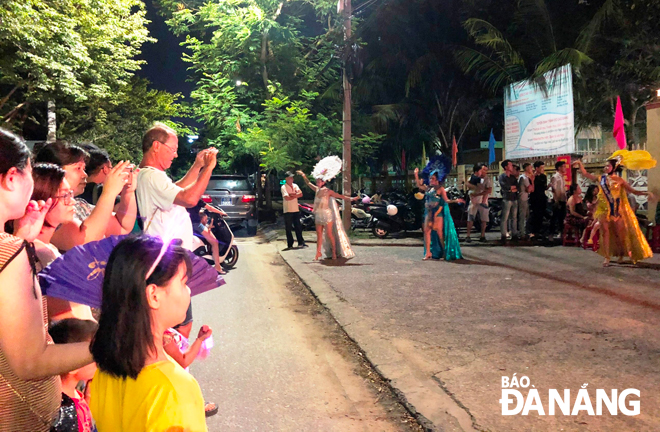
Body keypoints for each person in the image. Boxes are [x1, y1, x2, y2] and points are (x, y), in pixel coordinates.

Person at [0, 128, 93, 432]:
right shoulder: (11, 251)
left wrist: (23, 239)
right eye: (29, 172)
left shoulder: (14, 246)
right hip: (19, 415)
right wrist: (116, 344)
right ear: (12, 178)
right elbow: (30, 361)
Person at [89, 236, 207, 431]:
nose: (188, 291)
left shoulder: (105, 371)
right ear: (154, 295)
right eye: (183, 282)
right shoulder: (174, 389)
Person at [137, 123, 217, 339]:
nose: (175, 154)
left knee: (173, 323)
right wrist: (209, 168)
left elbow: (179, 189)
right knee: (179, 326)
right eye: (172, 149)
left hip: (163, 256)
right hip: (166, 258)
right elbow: (189, 198)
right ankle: (171, 366)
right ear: (156, 146)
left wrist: (198, 165)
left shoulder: (148, 175)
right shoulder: (152, 176)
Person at [34, 140, 137, 251]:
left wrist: (129, 191)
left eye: (84, 169)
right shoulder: (46, 211)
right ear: (55, 170)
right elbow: (86, 241)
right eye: (78, 168)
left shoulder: (80, 205)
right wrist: (109, 193)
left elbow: (122, 226)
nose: (85, 175)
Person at [30, 163, 95, 321]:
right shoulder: (39, 254)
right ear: (43, 199)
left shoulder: (48, 248)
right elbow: (65, 322)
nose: (72, 202)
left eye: (71, 195)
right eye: (65, 196)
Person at [574, 152, 655, 266]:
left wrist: (646, 193)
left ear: (614, 167)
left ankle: (622, 254)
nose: (606, 168)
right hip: (603, 211)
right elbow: (586, 174)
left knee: (619, 234)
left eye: (608, 166)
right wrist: (579, 164)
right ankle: (607, 256)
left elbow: (633, 191)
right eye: (605, 166)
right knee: (605, 233)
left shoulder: (619, 180)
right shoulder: (601, 178)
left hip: (616, 211)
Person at [49, 318, 99, 432]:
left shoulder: (76, 394)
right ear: (73, 365)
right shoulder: (60, 408)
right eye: (94, 356)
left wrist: (87, 399)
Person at [297, 171, 359, 261]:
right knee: (319, 235)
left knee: (330, 234)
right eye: (317, 181)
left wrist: (352, 198)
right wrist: (303, 175)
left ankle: (334, 252)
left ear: (323, 182)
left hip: (327, 214)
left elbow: (341, 196)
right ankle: (318, 253)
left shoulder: (328, 191)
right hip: (318, 214)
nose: (317, 183)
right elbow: (308, 183)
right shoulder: (317, 190)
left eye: (319, 181)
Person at [414, 167, 464, 261]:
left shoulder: (441, 189)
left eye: (433, 178)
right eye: (430, 178)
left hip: (437, 213)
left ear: (437, 179)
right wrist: (416, 175)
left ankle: (445, 252)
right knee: (427, 232)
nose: (431, 180)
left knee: (439, 233)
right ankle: (428, 252)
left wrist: (456, 200)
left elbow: (446, 200)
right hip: (428, 212)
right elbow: (419, 186)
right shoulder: (428, 188)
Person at [188, 199, 228, 274]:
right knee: (214, 242)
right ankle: (217, 267)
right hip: (196, 225)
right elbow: (210, 208)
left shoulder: (185, 198)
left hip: (185, 224)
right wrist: (222, 213)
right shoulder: (197, 200)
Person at [465, 163, 492, 243]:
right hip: (473, 201)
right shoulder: (473, 178)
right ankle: (468, 235)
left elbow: (489, 190)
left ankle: (482, 235)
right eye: (482, 169)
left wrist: (478, 193)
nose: (484, 172)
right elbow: (467, 184)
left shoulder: (487, 179)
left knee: (484, 219)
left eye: (485, 170)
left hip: (483, 201)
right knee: (470, 218)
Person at [281, 171, 306, 250]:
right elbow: (287, 197)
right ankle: (290, 243)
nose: (291, 179)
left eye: (292, 178)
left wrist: (292, 195)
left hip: (295, 209)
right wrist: (295, 195)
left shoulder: (295, 185)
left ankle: (300, 241)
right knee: (288, 228)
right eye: (290, 178)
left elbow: (301, 194)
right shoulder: (284, 187)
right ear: (286, 179)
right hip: (288, 210)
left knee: (298, 226)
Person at [498, 160, 518, 242]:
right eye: (510, 165)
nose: (512, 167)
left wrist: (512, 189)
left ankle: (514, 234)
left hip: (514, 198)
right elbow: (505, 187)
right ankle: (503, 234)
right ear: (506, 167)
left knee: (514, 217)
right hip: (506, 199)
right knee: (505, 217)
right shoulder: (502, 177)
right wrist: (511, 189)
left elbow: (517, 187)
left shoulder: (513, 177)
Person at [529, 161, 548, 239]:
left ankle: (540, 231)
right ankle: (533, 232)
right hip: (534, 198)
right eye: (541, 168)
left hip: (542, 197)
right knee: (535, 215)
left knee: (541, 215)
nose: (543, 169)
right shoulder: (532, 177)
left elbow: (544, 187)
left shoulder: (543, 177)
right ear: (536, 168)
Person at [550, 161, 568, 238]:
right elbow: (553, 189)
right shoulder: (555, 177)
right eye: (563, 166)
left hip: (563, 199)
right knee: (555, 217)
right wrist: (556, 200)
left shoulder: (562, 177)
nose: (565, 168)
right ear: (559, 167)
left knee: (562, 217)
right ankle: (552, 233)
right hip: (557, 200)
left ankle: (561, 233)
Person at [518, 162, 535, 239]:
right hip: (522, 198)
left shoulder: (525, 177)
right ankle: (522, 233)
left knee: (527, 216)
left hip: (525, 198)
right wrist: (532, 180)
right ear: (527, 169)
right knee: (523, 216)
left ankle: (525, 232)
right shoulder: (524, 178)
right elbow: (530, 189)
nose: (532, 169)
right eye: (531, 168)